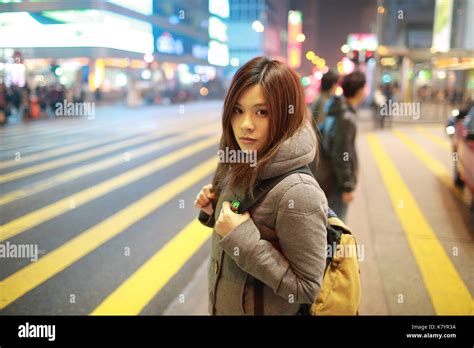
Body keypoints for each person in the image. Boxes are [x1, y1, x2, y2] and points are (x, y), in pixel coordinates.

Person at [194, 57, 328, 315]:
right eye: (237, 110)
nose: (245, 125)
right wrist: (216, 211)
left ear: (286, 114)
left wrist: (242, 239)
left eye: (261, 112)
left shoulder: (299, 193)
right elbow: (244, 218)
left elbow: (307, 288)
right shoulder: (242, 159)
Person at [312, 71, 366, 220]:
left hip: (328, 178)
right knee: (336, 228)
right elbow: (341, 153)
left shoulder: (337, 110)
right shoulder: (345, 118)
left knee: (330, 224)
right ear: (360, 91)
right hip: (334, 182)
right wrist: (347, 186)